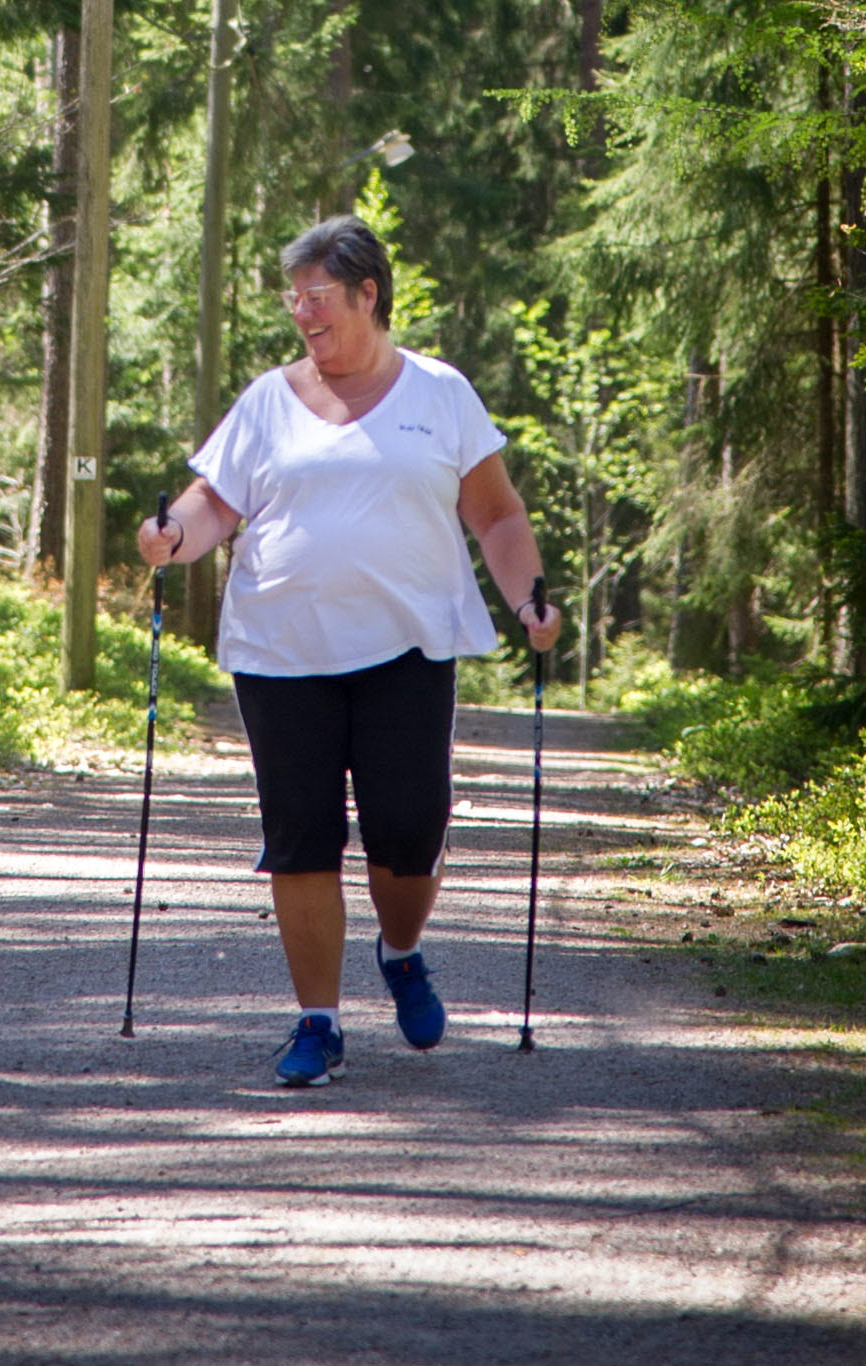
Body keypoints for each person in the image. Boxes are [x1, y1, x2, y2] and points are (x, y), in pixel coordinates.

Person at [137, 214, 561, 1087]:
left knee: (409, 834)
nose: (303, 313)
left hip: (406, 650)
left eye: (318, 296)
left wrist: (526, 597)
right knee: (302, 838)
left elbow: (497, 514)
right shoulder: (267, 400)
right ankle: (318, 1022)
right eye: (294, 298)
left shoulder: (440, 395)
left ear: (370, 295)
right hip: (280, 650)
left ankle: (400, 950)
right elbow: (217, 503)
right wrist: (174, 535)